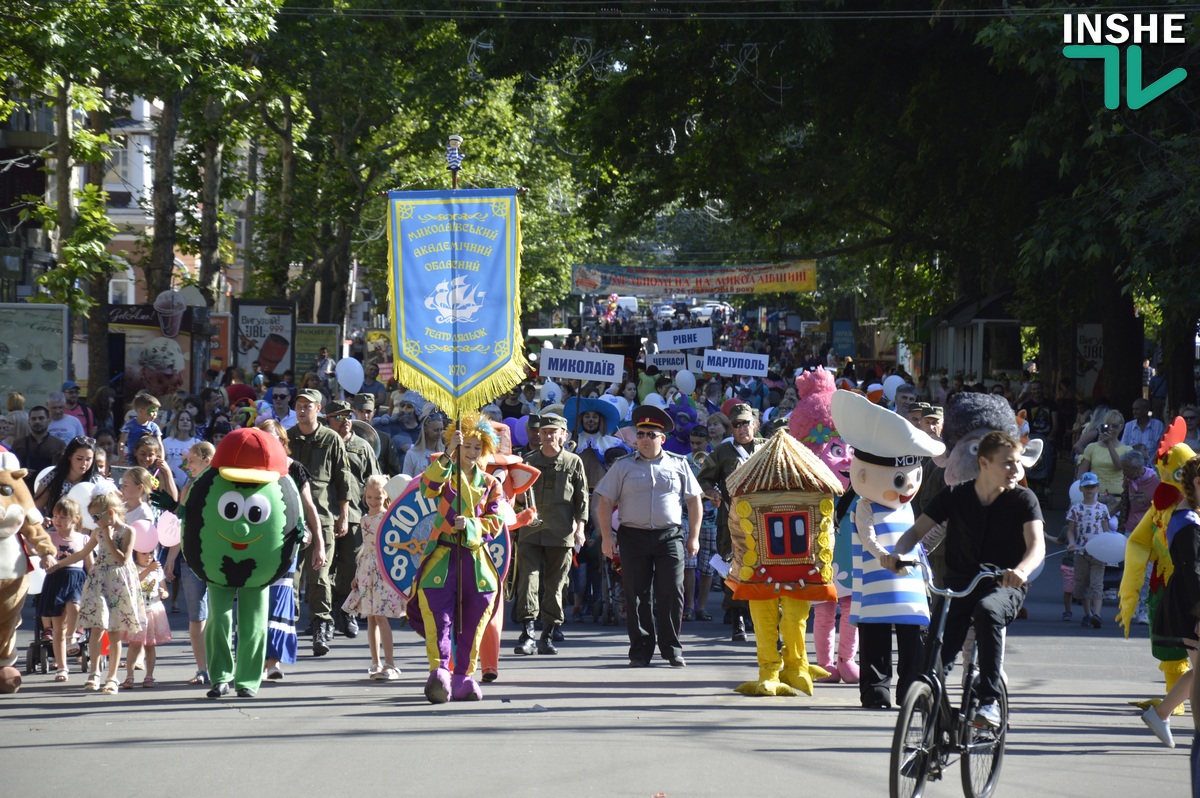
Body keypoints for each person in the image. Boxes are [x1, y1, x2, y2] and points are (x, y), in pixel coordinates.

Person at [883, 431, 1046, 729]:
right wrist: (897, 554)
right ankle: (933, 739)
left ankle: (988, 702)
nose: (1016, 470)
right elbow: (915, 533)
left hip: (1003, 585)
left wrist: (1021, 570)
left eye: (1018, 463)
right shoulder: (956, 495)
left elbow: (1037, 545)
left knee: (987, 612)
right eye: (1008, 463)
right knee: (932, 664)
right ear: (984, 462)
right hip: (957, 587)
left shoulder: (1024, 499)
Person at [595, 405, 703, 667]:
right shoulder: (622, 466)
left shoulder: (679, 464)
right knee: (637, 594)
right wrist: (607, 538)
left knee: (671, 592)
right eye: (641, 434)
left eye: (651, 434)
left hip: (670, 536)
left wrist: (694, 537)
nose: (645, 439)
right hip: (633, 536)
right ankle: (641, 650)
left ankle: (672, 648)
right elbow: (605, 502)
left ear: (662, 439)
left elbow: (694, 501)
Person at [409, 414, 505, 703]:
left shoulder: (490, 484)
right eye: (467, 447)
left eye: (478, 448)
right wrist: (449, 453)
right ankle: (439, 671)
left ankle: (463, 675)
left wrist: (473, 525)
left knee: (474, 618)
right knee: (440, 615)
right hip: (444, 555)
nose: (472, 452)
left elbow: (496, 522)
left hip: (475, 560)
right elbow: (427, 488)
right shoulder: (445, 473)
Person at [50, 488, 147, 695]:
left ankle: (112, 677)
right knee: (97, 626)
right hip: (99, 579)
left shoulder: (128, 531)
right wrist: (58, 565)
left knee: (114, 631)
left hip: (118, 581)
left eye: (97, 517)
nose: (94, 521)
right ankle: (94, 672)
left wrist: (109, 538)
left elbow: (122, 558)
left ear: (110, 513)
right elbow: (82, 554)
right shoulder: (97, 531)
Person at [516, 414, 588, 655]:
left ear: (563, 435)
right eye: (543, 431)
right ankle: (528, 634)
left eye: (552, 431)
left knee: (556, 585)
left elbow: (582, 499)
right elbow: (517, 497)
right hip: (531, 531)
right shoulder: (528, 461)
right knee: (528, 581)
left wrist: (580, 528)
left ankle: (547, 634)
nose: (545, 435)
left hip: (561, 532)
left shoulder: (573, 462)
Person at [256, 419, 322, 682]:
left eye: (272, 440)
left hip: (285, 546)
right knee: (255, 602)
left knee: (280, 601)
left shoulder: (295, 470)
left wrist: (318, 543)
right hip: (255, 546)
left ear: (283, 443)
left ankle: (273, 662)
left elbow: (309, 507)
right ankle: (255, 661)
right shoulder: (250, 470)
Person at [1145, 454, 1200, 764]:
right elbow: (1193, 570)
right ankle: (1163, 714)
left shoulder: (1191, 515)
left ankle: (1161, 713)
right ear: (1197, 483)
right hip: (1190, 603)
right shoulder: (1188, 521)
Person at [287, 388, 350, 656]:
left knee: (320, 577)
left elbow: (342, 480)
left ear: (319, 409)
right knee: (290, 577)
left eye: (308, 405)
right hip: (291, 518)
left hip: (323, 517)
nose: (302, 410)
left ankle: (321, 626)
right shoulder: (287, 438)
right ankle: (287, 625)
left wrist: (344, 515)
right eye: (299, 405)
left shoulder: (331, 438)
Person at [697, 403, 763, 641]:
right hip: (731, 519)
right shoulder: (722, 453)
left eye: (746, 423)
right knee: (732, 568)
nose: (742, 428)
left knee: (762, 568)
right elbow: (703, 479)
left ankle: (760, 615)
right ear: (731, 429)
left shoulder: (767, 448)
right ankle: (738, 619)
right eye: (736, 424)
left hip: (762, 521)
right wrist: (711, 493)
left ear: (754, 424)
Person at [324, 399, 380, 639]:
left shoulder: (362, 446)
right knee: (323, 567)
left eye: (348, 415)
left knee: (350, 565)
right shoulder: (323, 443)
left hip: (356, 513)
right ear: (328, 420)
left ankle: (346, 611)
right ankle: (323, 616)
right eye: (339, 416)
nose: (346, 420)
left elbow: (375, 480)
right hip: (326, 511)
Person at [163, 441, 216, 686]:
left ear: (207, 460)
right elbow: (181, 525)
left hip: (216, 559)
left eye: (192, 460)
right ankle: (202, 669)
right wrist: (172, 558)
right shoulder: (188, 486)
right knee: (196, 617)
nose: (188, 464)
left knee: (217, 616)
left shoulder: (221, 485)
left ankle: (220, 666)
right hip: (190, 558)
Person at [342, 474, 405, 680]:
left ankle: (390, 662)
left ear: (385, 497)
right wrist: (356, 574)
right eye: (369, 497)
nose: (373, 502)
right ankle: (375, 662)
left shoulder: (388, 518)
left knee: (381, 616)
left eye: (377, 498)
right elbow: (365, 548)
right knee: (370, 618)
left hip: (383, 570)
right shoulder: (364, 519)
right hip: (367, 569)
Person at [38, 497, 89, 683]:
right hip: (56, 580)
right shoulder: (50, 537)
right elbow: (37, 553)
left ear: (75, 519)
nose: (58, 520)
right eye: (56, 516)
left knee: (74, 606)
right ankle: (62, 667)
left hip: (76, 579)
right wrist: (44, 559)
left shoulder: (83, 538)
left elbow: (89, 566)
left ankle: (72, 636)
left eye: (63, 517)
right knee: (57, 626)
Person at [1067, 472, 1112, 629]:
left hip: (1098, 553)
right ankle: (1087, 613)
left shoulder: (1102, 508)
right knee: (1082, 583)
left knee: (1097, 583)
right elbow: (1070, 530)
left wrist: (1108, 547)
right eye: (1086, 487)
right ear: (1081, 489)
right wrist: (1071, 542)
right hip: (1081, 552)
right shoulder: (1076, 509)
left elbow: (1107, 531)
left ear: (1098, 488)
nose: (1090, 490)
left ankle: (1097, 614)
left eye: (1092, 486)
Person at [122, 548, 171, 689]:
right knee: (135, 644)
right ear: (135, 555)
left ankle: (149, 676)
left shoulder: (158, 570)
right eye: (144, 553)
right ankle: (129, 676)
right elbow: (133, 584)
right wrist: (148, 569)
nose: (148, 556)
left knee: (150, 645)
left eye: (151, 553)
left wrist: (164, 594)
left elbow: (165, 589)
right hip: (138, 612)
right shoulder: (133, 568)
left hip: (153, 610)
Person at [1077, 409, 1132, 515]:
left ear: (1121, 427)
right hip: (1094, 496)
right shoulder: (1091, 447)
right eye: (1107, 426)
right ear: (1102, 426)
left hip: (1118, 500)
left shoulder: (1127, 450)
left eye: (1115, 426)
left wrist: (1109, 444)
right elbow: (1081, 475)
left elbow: (1119, 466)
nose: (1110, 429)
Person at [33, 435, 99, 515]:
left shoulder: (97, 481)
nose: (84, 464)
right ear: (70, 456)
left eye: (88, 459)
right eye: (79, 458)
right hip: (54, 526)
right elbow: (36, 508)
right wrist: (43, 520)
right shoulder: (53, 477)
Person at [10, 406, 65, 490]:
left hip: (49, 489)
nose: (37, 421)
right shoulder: (18, 444)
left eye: (41, 418)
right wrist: (21, 471)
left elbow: (63, 469)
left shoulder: (59, 444)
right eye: (33, 419)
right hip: (23, 489)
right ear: (29, 422)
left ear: (48, 421)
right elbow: (11, 467)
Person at [352, 393, 402, 476]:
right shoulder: (346, 436)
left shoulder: (384, 439)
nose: (365, 415)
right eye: (361, 411)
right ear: (354, 411)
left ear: (374, 412)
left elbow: (393, 471)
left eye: (368, 412)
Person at [401, 406, 446, 477]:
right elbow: (406, 480)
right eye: (436, 430)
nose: (439, 433)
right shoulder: (412, 454)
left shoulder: (445, 452)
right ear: (425, 430)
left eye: (441, 430)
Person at [119, 393, 162, 465]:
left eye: (156, 411)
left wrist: (161, 458)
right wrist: (121, 457)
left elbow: (160, 444)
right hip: (132, 458)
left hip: (149, 458)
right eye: (152, 411)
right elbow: (122, 442)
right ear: (141, 411)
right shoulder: (130, 425)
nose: (155, 414)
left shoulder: (154, 427)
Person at [162, 410, 201, 488]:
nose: (185, 422)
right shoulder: (166, 442)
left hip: (190, 484)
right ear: (177, 423)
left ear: (191, 424)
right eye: (182, 419)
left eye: (188, 420)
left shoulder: (198, 443)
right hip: (171, 484)